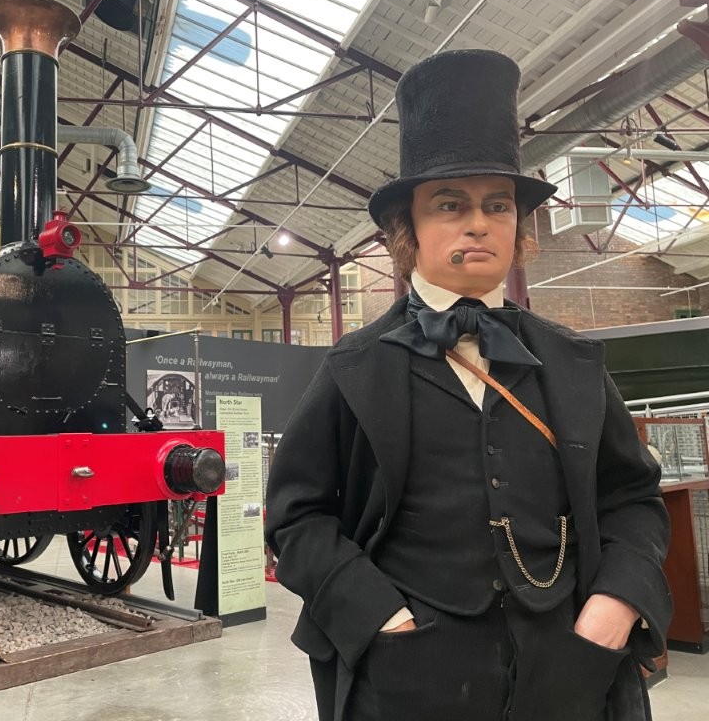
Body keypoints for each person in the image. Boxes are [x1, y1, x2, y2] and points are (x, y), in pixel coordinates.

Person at [264, 50, 671, 721]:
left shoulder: (574, 362)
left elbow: (632, 498)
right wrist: (379, 618)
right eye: (450, 204)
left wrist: (615, 605)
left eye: (497, 205)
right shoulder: (353, 368)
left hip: (572, 670)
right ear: (409, 229)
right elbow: (296, 518)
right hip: (407, 680)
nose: (479, 222)